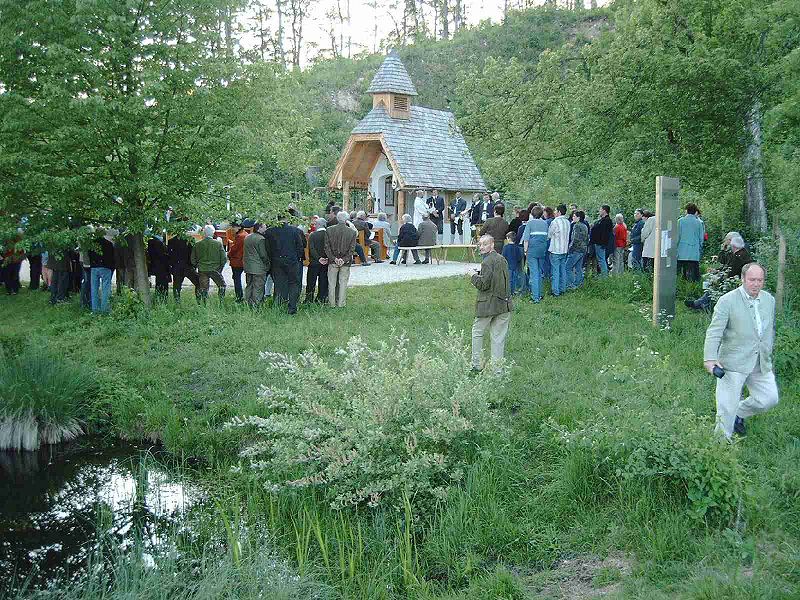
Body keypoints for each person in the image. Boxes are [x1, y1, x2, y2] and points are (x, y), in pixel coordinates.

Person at [703, 263, 778, 438]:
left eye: (760, 280)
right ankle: (720, 445)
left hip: (760, 361)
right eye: (752, 280)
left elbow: (769, 329)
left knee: (769, 398)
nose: (756, 284)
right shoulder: (727, 301)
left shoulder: (769, 300)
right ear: (743, 279)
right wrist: (710, 359)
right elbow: (714, 331)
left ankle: (739, 413)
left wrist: (767, 350)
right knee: (726, 407)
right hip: (733, 362)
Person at [469, 234, 512, 371]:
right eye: (480, 244)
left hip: (488, 305)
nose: (481, 247)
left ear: (492, 245)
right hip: (504, 304)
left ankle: (476, 365)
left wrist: (473, 276)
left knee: (477, 332)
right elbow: (497, 279)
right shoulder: (502, 259)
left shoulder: (487, 261)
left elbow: (483, 284)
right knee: (498, 338)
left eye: (485, 244)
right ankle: (497, 370)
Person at [264, 216, 306, 314]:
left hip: (276, 261)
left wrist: (271, 259)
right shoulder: (295, 231)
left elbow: (267, 248)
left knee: (279, 284)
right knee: (293, 283)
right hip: (292, 261)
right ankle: (292, 307)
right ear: (287, 219)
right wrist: (297, 258)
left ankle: (278, 305)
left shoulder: (270, 232)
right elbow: (301, 246)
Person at [325, 211, 358, 308]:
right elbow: (352, 249)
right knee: (343, 283)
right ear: (346, 220)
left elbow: (327, 247)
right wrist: (344, 259)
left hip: (333, 261)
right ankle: (341, 304)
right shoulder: (352, 232)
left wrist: (334, 258)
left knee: (331, 283)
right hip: (345, 262)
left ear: (337, 218)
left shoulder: (329, 230)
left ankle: (331, 304)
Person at [191, 224, 227, 303]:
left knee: (204, 288)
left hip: (202, 269)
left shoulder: (197, 244)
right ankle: (221, 302)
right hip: (215, 269)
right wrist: (220, 268)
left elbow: (193, 259)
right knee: (222, 285)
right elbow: (224, 258)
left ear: (204, 233)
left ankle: (204, 303)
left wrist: (197, 265)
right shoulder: (218, 244)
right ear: (213, 233)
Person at [522, 206, 549, 303]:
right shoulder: (545, 223)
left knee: (534, 274)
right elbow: (547, 237)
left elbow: (526, 239)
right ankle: (540, 294)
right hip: (542, 250)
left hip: (532, 251)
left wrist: (525, 251)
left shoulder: (530, 223)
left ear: (532, 214)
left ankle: (535, 297)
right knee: (539, 272)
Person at [88, 228, 116, 313]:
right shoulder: (109, 244)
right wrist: (111, 267)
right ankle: (105, 308)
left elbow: (89, 255)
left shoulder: (91, 244)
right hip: (105, 267)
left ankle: (95, 309)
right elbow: (112, 257)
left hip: (94, 267)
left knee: (94, 289)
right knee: (106, 288)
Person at [243, 222, 271, 307]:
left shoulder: (247, 237)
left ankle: (247, 303)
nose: (266, 229)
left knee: (249, 285)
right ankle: (256, 305)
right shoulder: (261, 239)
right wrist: (268, 264)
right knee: (258, 287)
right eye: (264, 227)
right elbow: (263, 255)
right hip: (259, 268)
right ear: (259, 228)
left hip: (248, 266)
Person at [677, 203, 704, 281]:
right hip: (694, 252)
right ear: (695, 211)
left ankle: (682, 285)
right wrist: (700, 247)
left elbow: (677, 236)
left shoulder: (680, 221)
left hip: (682, 251)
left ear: (686, 211)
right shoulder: (699, 222)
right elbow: (701, 238)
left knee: (682, 273)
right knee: (693, 275)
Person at [168, 233, 199, 302]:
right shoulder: (190, 239)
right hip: (188, 266)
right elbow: (193, 253)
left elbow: (169, 256)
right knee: (198, 283)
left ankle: (177, 302)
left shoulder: (171, 241)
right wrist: (194, 265)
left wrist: (172, 266)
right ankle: (199, 300)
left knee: (177, 287)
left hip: (178, 266)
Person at [548, 204, 570, 296]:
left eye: (556, 210)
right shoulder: (567, 222)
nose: (554, 212)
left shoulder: (555, 222)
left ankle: (555, 291)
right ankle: (563, 288)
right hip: (564, 249)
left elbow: (549, 235)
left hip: (556, 249)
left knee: (555, 271)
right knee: (563, 270)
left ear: (559, 212)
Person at [305, 217, 329, 304]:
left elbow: (311, 248)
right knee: (323, 281)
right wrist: (326, 257)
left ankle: (309, 299)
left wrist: (318, 258)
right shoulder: (328, 234)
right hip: (326, 262)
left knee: (311, 282)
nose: (314, 226)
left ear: (318, 225)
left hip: (314, 262)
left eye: (315, 224)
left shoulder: (313, 235)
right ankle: (321, 299)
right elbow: (329, 247)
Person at [566, 210, 588, 290]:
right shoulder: (585, 226)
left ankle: (570, 285)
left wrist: (570, 248)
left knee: (567, 267)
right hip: (583, 249)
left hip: (576, 250)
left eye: (574, 216)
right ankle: (579, 284)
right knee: (578, 268)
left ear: (578, 217)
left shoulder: (576, 226)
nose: (573, 217)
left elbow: (575, 239)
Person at [590, 205, 613, 276]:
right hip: (598, 242)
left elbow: (605, 233)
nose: (599, 211)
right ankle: (604, 274)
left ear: (604, 211)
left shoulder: (607, 221)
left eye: (600, 210)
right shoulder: (602, 220)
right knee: (600, 259)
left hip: (600, 243)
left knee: (601, 259)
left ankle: (604, 275)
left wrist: (603, 243)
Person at [227, 222, 247, 302]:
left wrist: (229, 254)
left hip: (237, 260)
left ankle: (239, 297)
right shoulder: (245, 234)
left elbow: (234, 249)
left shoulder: (240, 236)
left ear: (239, 227)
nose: (232, 229)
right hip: (243, 260)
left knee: (236, 279)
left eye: (233, 227)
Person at [147, 234, 171, 302]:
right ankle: (163, 299)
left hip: (157, 267)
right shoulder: (157, 243)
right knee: (163, 284)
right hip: (162, 267)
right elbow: (162, 256)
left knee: (159, 284)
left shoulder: (152, 243)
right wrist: (168, 256)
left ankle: (159, 298)